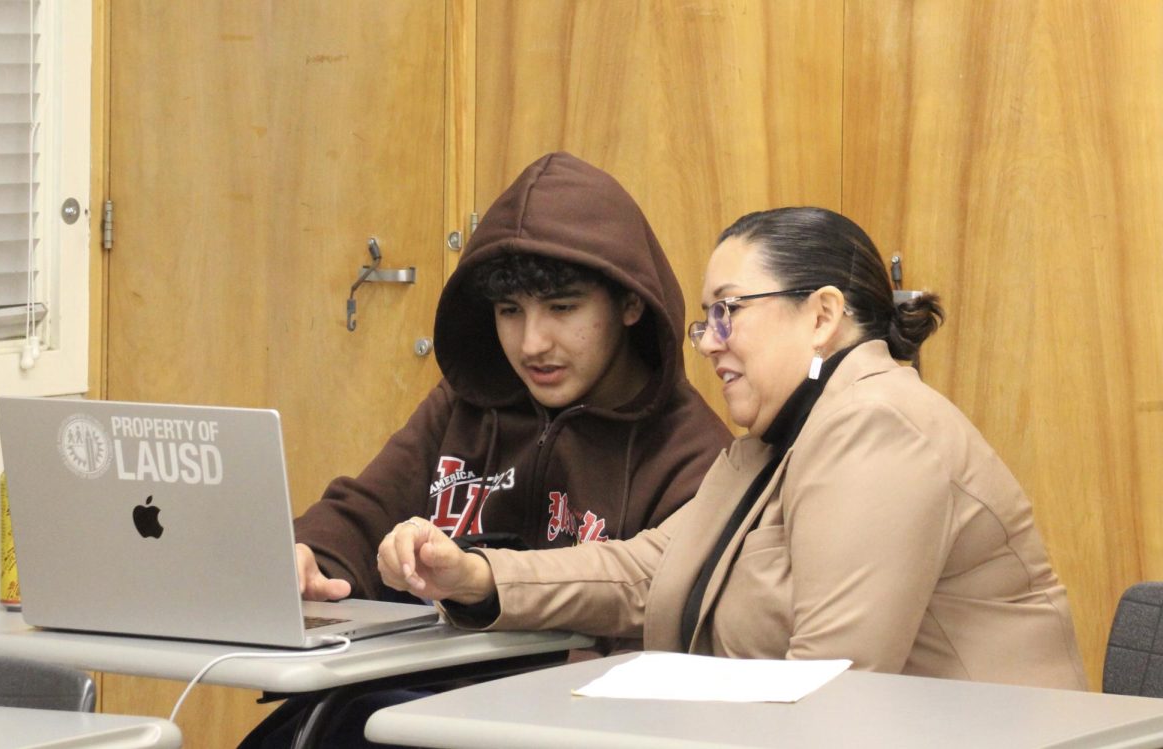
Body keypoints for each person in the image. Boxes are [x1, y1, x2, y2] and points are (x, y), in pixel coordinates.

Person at [379, 206, 1088, 689]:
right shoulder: (777, 440)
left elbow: (827, 687)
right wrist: (475, 578)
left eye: (729, 313)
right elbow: (646, 569)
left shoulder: (878, 428)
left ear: (822, 314)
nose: (710, 342)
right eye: (706, 319)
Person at [239, 153, 732, 747]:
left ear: (630, 304)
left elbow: (660, 635)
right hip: (411, 701)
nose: (531, 343)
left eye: (563, 308)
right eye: (508, 312)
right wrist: (310, 557)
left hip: (559, 727)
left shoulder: (695, 453)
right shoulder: (467, 401)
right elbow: (366, 508)